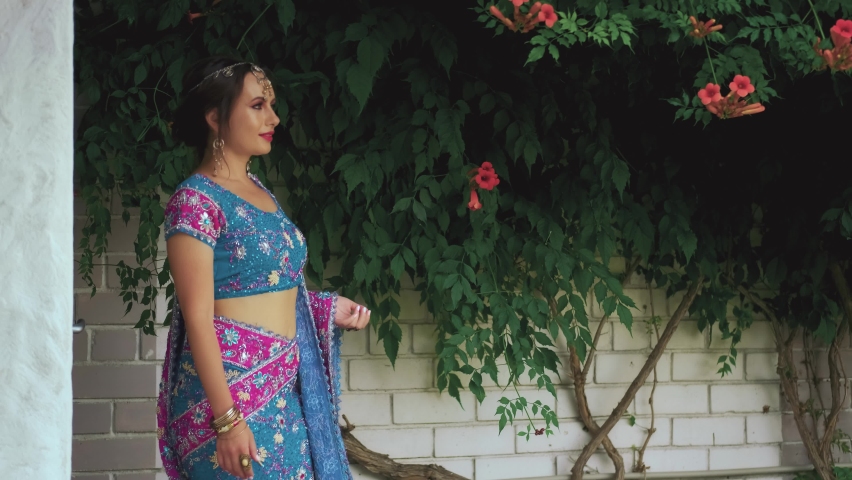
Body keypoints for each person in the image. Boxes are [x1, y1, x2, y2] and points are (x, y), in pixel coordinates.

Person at [156, 57, 366, 480]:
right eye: (257, 105)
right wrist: (227, 421)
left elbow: (271, 285)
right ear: (215, 117)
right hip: (228, 401)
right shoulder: (195, 201)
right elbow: (198, 319)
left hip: (283, 394)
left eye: (271, 105)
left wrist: (326, 307)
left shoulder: (260, 192)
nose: (274, 117)